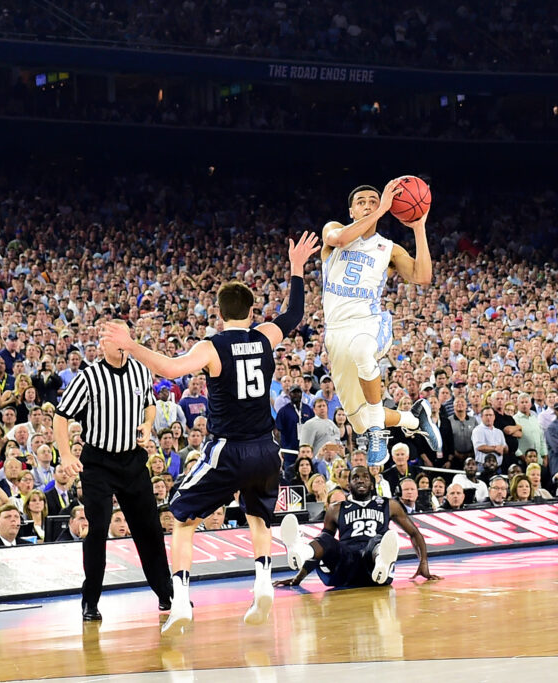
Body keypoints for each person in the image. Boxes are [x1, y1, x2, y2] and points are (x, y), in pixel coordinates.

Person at [102, 232, 318, 631]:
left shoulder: (212, 346)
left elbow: (168, 369)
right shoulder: (266, 336)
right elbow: (293, 315)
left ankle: (181, 598)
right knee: (258, 518)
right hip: (266, 449)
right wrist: (296, 268)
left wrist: (131, 345)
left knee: (182, 517)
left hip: (228, 450)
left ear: (219, 313)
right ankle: (263, 582)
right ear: (252, 311)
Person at [54, 323, 174, 622]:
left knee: (149, 528)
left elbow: (149, 404)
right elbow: (61, 415)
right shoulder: (88, 377)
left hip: (132, 460)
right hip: (98, 463)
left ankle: (166, 593)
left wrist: (147, 424)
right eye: (113, 340)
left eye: (123, 339)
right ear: (102, 345)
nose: (120, 345)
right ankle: (90, 601)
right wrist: (67, 453)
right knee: (97, 529)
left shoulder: (140, 371)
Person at [320, 180, 440, 466]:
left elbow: (422, 277)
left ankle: (378, 433)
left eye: (374, 201)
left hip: (370, 323)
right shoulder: (333, 229)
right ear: (351, 210)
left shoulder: (388, 248)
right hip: (335, 332)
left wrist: (419, 228)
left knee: (363, 351)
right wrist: (382, 209)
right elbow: (337, 239)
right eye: (361, 202)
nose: (368, 205)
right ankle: (413, 418)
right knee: (359, 420)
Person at [276, 465, 440, 588]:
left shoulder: (389, 505)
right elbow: (324, 546)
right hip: (344, 567)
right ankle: (300, 551)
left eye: (365, 477)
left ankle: (382, 561)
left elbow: (414, 533)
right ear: (348, 484)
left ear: (372, 483)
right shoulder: (336, 508)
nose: (360, 480)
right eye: (355, 477)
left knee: (378, 539)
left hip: (373, 568)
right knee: (326, 538)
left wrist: (423, 563)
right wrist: (298, 577)